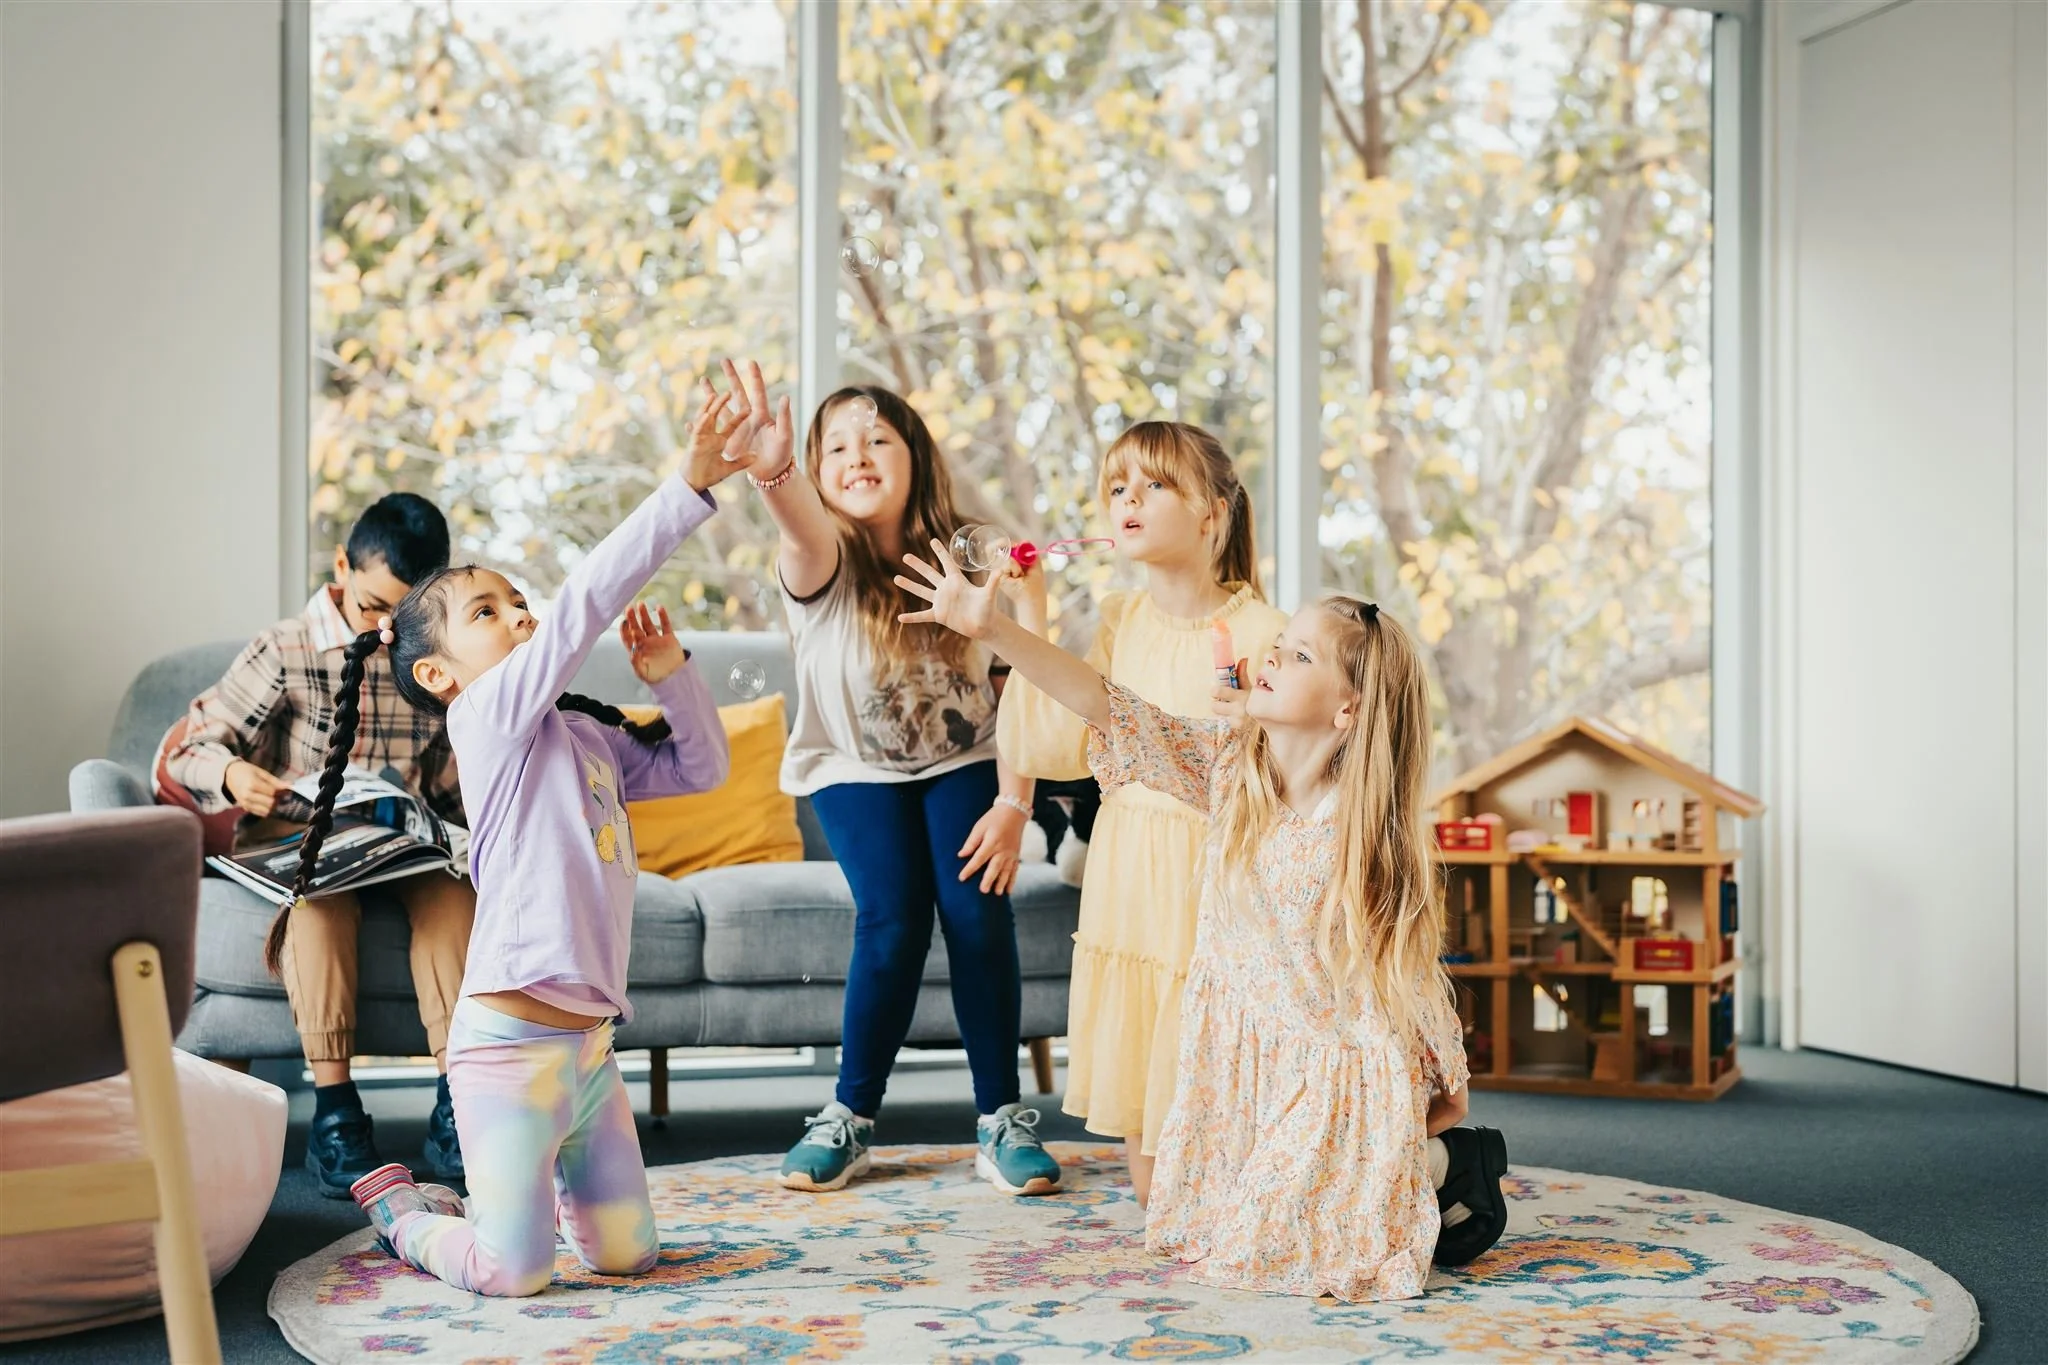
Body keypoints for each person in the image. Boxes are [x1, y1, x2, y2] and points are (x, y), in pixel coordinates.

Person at [898, 548, 1511, 1299]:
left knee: (1284, 1251)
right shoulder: (1228, 768)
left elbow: (1404, 972)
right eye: (1279, 645)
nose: (1274, 659)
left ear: (1348, 708)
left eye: (1301, 654)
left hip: (1332, 1064)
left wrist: (1436, 1079)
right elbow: (1103, 701)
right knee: (1200, 1228)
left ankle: (1448, 1160)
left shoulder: (1367, 831)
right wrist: (993, 627)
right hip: (1242, 1058)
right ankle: (1412, 1168)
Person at [319, 368, 761, 1296]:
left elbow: (702, 770)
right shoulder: (487, 722)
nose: (521, 615)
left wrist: (673, 673)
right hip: (507, 1054)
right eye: (489, 611)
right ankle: (405, 1212)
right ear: (440, 674)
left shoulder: (587, 735)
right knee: (512, 1272)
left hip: (590, 1056)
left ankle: (544, 1184)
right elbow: (583, 606)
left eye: (519, 601)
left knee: (626, 1258)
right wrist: (684, 489)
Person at [730, 360, 1060, 1197]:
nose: (858, 453)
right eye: (835, 444)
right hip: (849, 766)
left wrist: (1017, 804)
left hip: (966, 756)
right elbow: (798, 522)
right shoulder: (819, 559)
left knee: (975, 909)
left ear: (914, 453)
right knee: (895, 917)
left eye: (877, 436)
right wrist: (775, 470)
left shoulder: (967, 552)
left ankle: (1001, 1119)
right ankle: (849, 1115)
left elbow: (1025, 678)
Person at [997, 421, 1287, 1208]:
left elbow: (1282, 774)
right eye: (1118, 486)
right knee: (1141, 1045)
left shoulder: (1262, 631)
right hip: (1129, 861)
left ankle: (1228, 1198)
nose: (1128, 499)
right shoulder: (1120, 619)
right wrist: (1030, 606)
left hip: (1214, 870)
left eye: (1154, 484)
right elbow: (1052, 740)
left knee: (1204, 1023)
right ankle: (1165, 1212)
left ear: (1212, 513)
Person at [160, 492, 476, 1194]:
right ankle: (336, 1114)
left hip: (399, 839)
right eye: (373, 607)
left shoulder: (433, 664)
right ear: (341, 567)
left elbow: (453, 785)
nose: (389, 630)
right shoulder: (285, 648)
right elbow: (194, 747)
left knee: (456, 899)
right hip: (304, 840)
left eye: (409, 614)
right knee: (317, 907)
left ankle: (463, 1102)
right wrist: (236, 772)